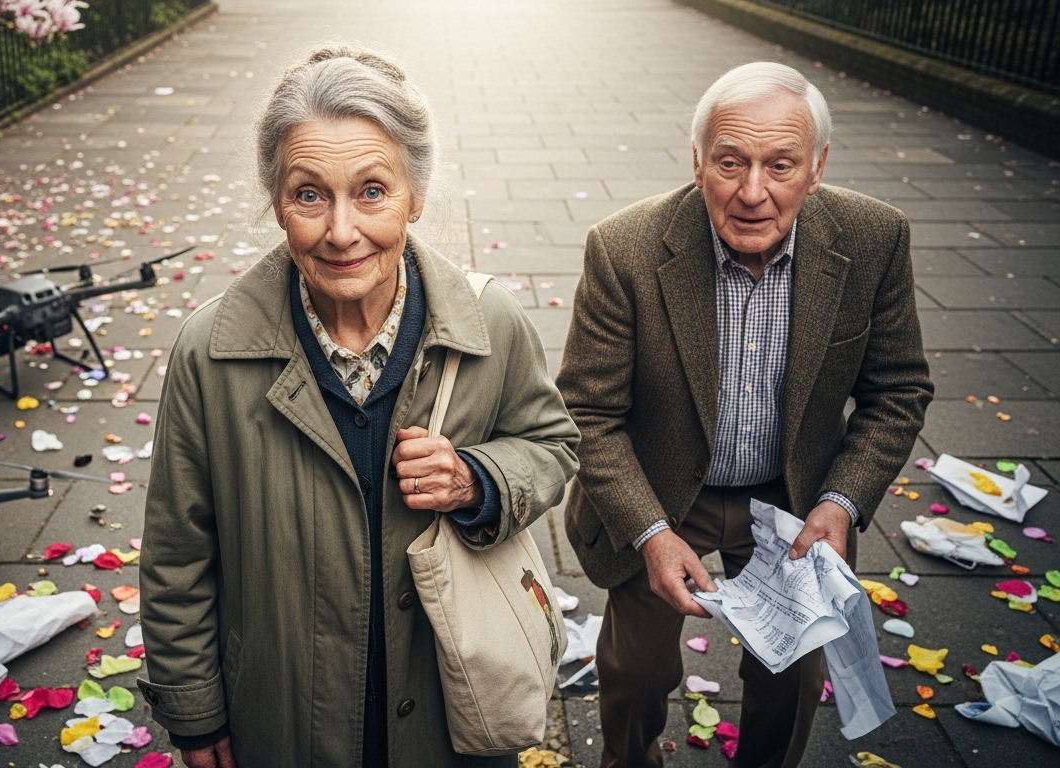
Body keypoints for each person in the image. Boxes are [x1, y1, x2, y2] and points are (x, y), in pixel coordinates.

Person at [139, 44, 580, 768]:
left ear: (416, 194)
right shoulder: (208, 354)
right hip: (284, 717)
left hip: (450, 712)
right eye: (309, 194)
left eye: (372, 191)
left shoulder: (488, 321)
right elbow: (177, 557)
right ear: (276, 199)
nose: (341, 231)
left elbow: (552, 444)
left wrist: (479, 478)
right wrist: (194, 713)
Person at [557, 61, 933, 768]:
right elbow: (589, 412)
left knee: (790, 681)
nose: (753, 191)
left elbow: (898, 390)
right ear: (698, 161)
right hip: (663, 490)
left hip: (792, 497)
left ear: (816, 168)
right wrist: (649, 532)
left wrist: (841, 502)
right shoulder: (625, 249)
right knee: (636, 674)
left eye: (780, 165)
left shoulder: (874, 238)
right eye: (730, 162)